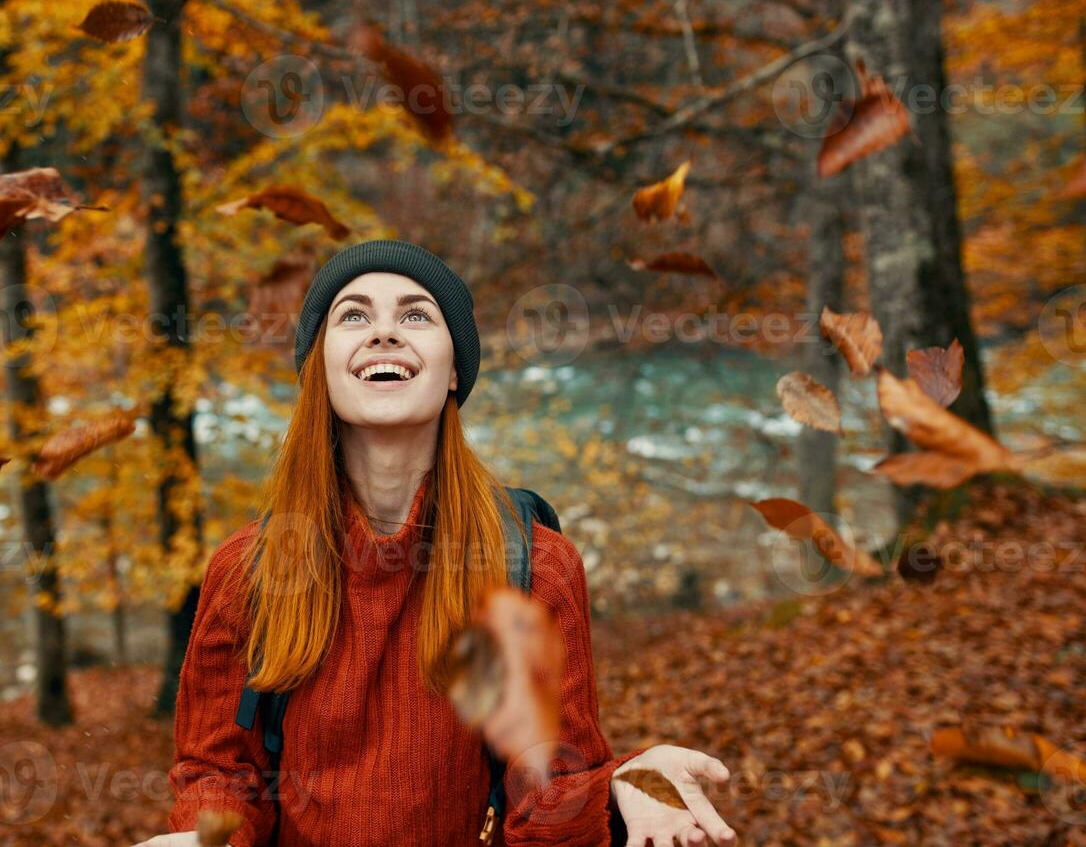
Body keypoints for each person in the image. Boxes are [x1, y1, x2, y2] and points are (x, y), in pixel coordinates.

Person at [135, 240, 738, 846]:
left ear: (454, 370)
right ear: (318, 366)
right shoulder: (249, 570)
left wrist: (618, 787)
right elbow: (220, 773)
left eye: (417, 315)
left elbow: (549, 793)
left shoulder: (533, 567)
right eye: (353, 315)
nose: (384, 334)